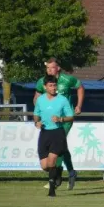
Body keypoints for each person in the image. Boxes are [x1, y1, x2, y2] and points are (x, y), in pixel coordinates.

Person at [34, 58, 84, 191]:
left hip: (64, 120)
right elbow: (37, 96)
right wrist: (39, 112)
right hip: (49, 121)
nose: (49, 70)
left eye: (52, 67)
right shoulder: (42, 81)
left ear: (58, 68)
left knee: (58, 145)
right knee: (61, 147)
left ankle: (57, 176)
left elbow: (79, 87)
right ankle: (72, 172)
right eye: (47, 68)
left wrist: (78, 105)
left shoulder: (67, 80)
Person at [34, 75, 74, 197]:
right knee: (45, 166)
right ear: (45, 87)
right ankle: (58, 171)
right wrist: (37, 122)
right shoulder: (40, 100)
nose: (53, 88)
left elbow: (71, 116)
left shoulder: (62, 100)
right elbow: (36, 115)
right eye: (50, 85)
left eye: (55, 85)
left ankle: (52, 191)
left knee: (52, 161)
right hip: (45, 133)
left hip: (57, 133)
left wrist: (61, 119)